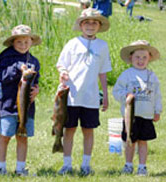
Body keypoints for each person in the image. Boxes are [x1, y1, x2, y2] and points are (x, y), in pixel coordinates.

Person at [56, 8, 111, 176]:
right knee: (69, 129)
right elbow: (61, 64)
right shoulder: (73, 43)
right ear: (81, 25)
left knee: (88, 130)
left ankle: (86, 164)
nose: (90, 26)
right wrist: (63, 72)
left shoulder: (102, 46)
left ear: (99, 26)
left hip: (91, 96)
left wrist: (106, 95)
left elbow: (103, 72)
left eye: (94, 23)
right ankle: (67, 164)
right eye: (87, 22)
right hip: (71, 95)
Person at [0, 24, 41, 176]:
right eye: (19, 42)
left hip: (27, 107)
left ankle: (21, 168)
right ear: (13, 42)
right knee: (5, 136)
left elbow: (36, 81)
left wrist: (36, 90)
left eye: (26, 42)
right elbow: (1, 77)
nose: (23, 45)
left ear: (31, 42)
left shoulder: (34, 61)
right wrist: (17, 68)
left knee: (22, 137)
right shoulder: (5, 57)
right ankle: (1, 168)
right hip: (8, 105)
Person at [112, 40, 162, 176]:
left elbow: (157, 95)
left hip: (146, 114)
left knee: (143, 141)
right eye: (137, 57)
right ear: (131, 58)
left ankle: (142, 166)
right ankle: (128, 164)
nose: (141, 60)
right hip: (131, 116)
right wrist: (126, 96)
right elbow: (116, 91)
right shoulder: (127, 74)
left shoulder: (152, 76)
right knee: (130, 140)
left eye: (144, 57)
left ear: (149, 58)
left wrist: (157, 111)